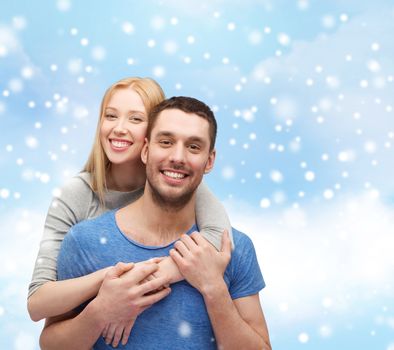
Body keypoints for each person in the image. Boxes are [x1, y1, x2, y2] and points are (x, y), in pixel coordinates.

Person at [40, 96, 271, 349]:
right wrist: (100, 311)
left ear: (210, 160)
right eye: (166, 142)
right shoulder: (84, 241)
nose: (178, 157)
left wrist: (213, 288)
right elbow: (51, 344)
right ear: (146, 150)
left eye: (194, 147)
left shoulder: (234, 248)